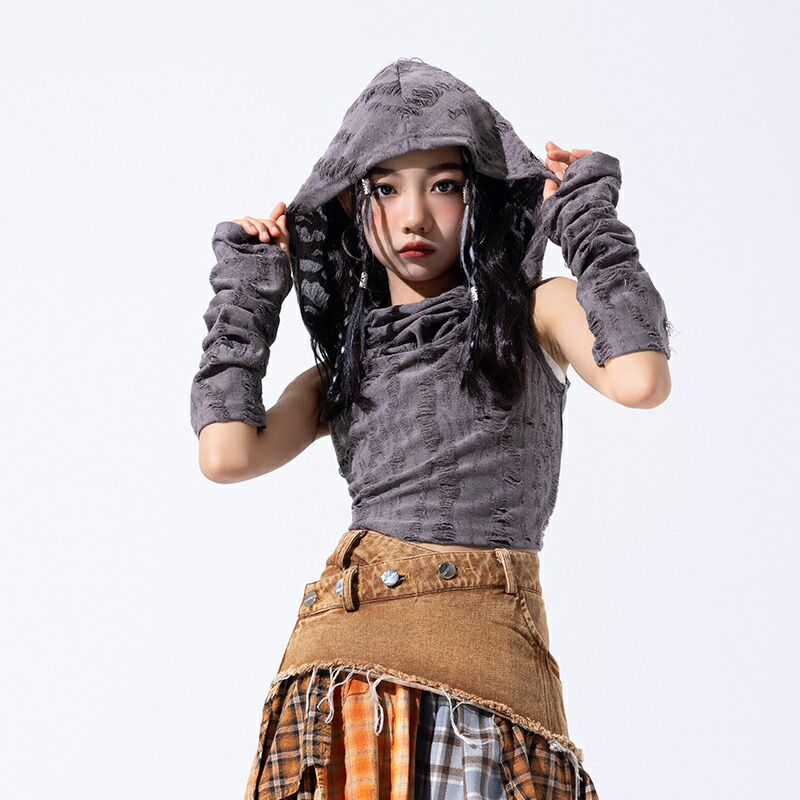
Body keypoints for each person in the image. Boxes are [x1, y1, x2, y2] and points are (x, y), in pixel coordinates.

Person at [190, 57, 673, 800]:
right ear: (352, 205)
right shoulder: (345, 366)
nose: (414, 216)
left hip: (488, 682)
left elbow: (640, 379)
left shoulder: (534, 313)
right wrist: (249, 294)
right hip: (340, 686)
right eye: (386, 189)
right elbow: (225, 455)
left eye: (444, 185)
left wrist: (586, 221)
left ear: (479, 195)